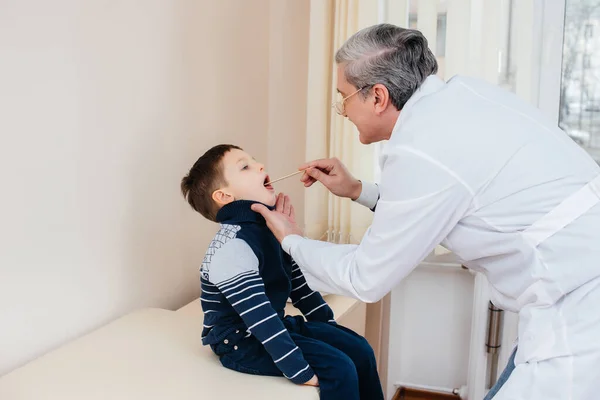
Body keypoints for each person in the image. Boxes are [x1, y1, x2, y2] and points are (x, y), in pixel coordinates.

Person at [251, 24, 600, 400]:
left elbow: (366, 277)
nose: (343, 111)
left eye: (343, 98)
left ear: (378, 97)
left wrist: (292, 240)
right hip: (571, 284)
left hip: (577, 307)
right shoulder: (461, 99)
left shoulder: (422, 149)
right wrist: (357, 190)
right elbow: (437, 204)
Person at [180, 144, 384, 400]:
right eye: (246, 166)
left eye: (255, 160)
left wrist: (329, 328)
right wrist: (299, 370)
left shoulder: (270, 229)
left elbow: (299, 286)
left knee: (360, 349)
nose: (260, 166)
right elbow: (261, 319)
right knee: (339, 368)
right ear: (224, 197)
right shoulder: (231, 246)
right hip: (240, 342)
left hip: (275, 324)